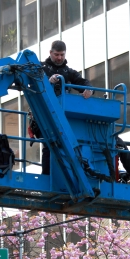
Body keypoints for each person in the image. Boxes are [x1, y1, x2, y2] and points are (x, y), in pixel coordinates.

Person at [37, 40, 93, 174]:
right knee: (49, 145)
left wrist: (89, 89)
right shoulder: (41, 69)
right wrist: (47, 81)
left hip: (63, 114)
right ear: (50, 53)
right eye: (56, 54)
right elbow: (33, 85)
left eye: (62, 55)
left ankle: (67, 174)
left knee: (67, 144)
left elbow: (83, 82)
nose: (59, 58)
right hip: (46, 112)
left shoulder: (68, 72)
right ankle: (47, 176)